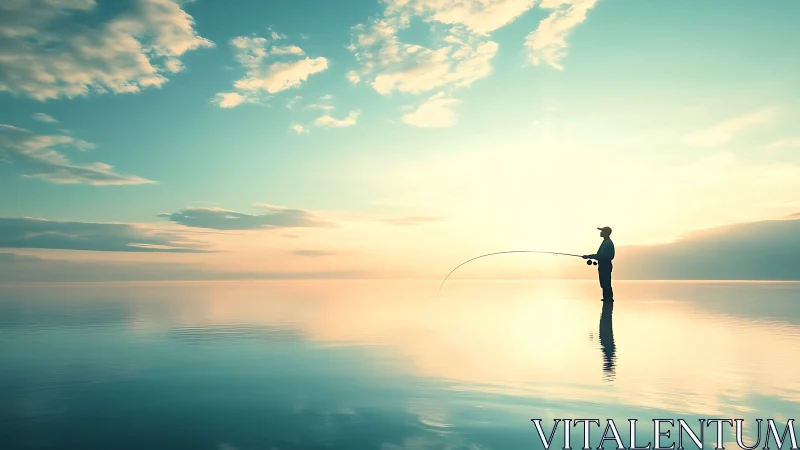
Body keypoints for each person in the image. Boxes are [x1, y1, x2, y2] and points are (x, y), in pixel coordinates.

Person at [583, 226, 615, 301]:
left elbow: (601, 256)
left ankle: (608, 299)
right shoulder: (606, 242)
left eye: (602, 231)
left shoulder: (607, 243)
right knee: (604, 282)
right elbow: (601, 256)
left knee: (605, 282)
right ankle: (607, 298)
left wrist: (589, 256)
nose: (601, 232)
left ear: (606, 233)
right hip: (604, 265)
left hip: (605, 265)